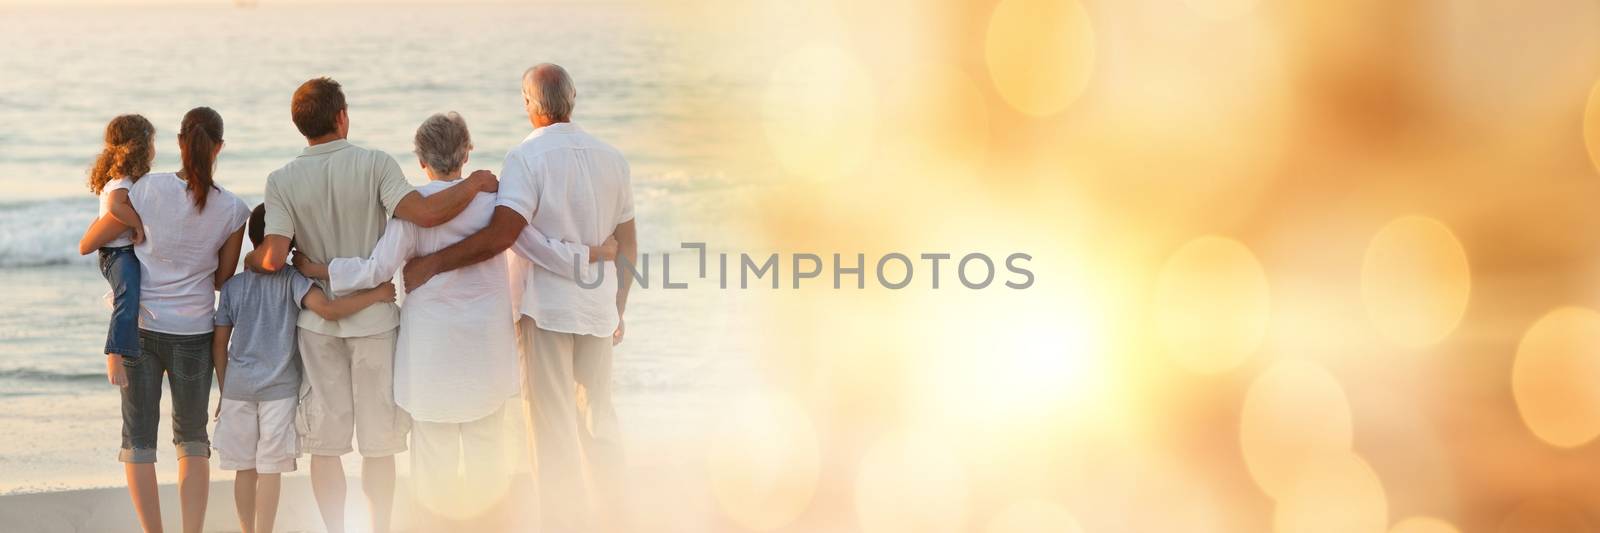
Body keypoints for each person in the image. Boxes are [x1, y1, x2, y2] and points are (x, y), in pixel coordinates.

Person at [296, 111, 613, 528]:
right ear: (467, 154)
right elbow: (541, 250)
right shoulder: (496, 207)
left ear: (420, 160)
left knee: (433, 472)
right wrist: (596, 254)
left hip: (430, 360)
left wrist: (319, 269)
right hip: (486, 352)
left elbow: (375, 269)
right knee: (489, 465)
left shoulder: (411, 212)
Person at [240, 77, 497, 533]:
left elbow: (276, 256)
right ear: (342, 117)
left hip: (317, 327)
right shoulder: (375, 164)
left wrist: (248, 259)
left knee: (326, 445)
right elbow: (428, 213)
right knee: (380, 445)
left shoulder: (280, 179)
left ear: (300, 126)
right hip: (375, 324)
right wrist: (476, 184)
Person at [402, 64, 637, 532]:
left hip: (547, 310)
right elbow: (628, 242)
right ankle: (615, 517)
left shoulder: (526, 159)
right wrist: (618, 305)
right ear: (572, 99)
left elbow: (506, 236)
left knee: (551, 428)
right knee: (599, 420)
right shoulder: (614, 158)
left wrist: (432, 264)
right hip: (596, 309)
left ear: (531, 106)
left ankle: (562, 521)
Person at [81, 107, 251, 533]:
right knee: (192, 439)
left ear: (179, 142)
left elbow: (99, 236)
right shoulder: (233, 209)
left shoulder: (147, 188)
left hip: (140, 327)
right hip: (194, 330)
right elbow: (222, 279)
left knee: (137, 439)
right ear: (219, 148)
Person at [212, 204, 399, 533]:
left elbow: (219, 343)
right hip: (278, 392)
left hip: (238, 390)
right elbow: (327, 310)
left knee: (244, 469)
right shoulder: (292, 281)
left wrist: (225, 388)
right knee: (269, 469)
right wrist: (377, 295)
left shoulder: (232, 288)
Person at [76, 114, 156, 389]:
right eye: (152, 141)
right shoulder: (121, 183)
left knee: (136, 296)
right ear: (141, 147)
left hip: (120, 252)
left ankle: (147, 350)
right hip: (117, 254)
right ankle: (115, 353)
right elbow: (114, 208)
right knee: (129, 295)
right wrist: (138, 226)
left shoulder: (124, 179)